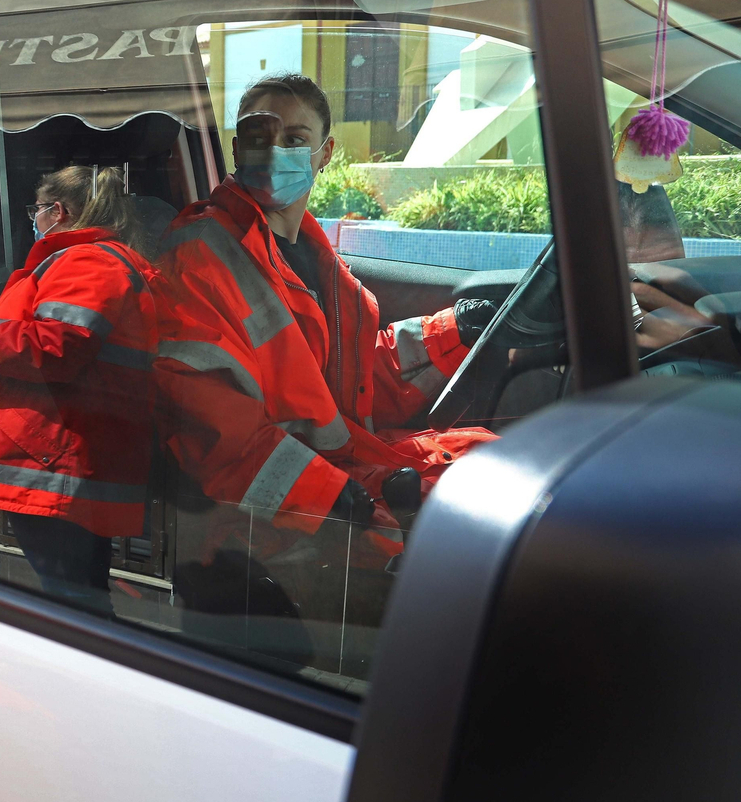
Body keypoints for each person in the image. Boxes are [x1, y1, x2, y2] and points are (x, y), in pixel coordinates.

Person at [155, 74, 500, 584]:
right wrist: (328, 497)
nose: (274, 152)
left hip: (334, 476)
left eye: (294, 139)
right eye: (258, 137)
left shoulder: (318, 264)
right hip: (257, 523)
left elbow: (343, 385)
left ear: (325, 153)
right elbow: (213, 431)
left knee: (502, 469)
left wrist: (449, 334)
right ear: (235, 149)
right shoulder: (199, 257)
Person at [0, 166, 159, 615]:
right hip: (62, 459)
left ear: (59, 211)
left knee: (72, 608)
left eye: (36, 209)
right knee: (79, 597)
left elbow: (56, 347)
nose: (32, 218)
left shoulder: (87, 261)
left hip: (52, 462)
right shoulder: (92, 261)